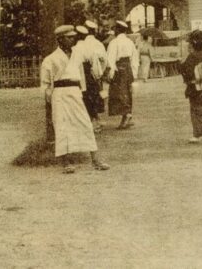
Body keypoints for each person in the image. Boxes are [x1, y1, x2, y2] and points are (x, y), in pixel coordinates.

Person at [40, 25, 110, 174]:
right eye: (68, 37)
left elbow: (86, 72)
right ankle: (66, 162)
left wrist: (82, 91)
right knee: (62, 126)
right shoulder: (50, 59)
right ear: (60, 39)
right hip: (59, 94)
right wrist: (49, 99)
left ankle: (95, 159)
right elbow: (46, 84)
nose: (72, 39)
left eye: (73, 36)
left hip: (75, 92)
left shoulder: (78, 53)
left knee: (85, 123)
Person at [106, 20, 139, 129]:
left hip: (119, 69)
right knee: (127, 92)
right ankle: (128, 115)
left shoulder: (114, 42)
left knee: (119, 93)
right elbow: (135, 58)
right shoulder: (130, 42)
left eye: (115, 29)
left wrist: (111, 73)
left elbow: (110, 59)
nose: (114, 31)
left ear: (118, 29)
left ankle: (126, 116)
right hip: (128, 68)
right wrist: (134, 72)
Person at [74, 25, 106, 134]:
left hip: (79, 75)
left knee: (82, 99)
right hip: (90, 76)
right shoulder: (90, 47)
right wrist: (97, 76)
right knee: (92, 98)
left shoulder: (74, 49)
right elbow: (96, 64)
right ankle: (95, 121)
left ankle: (86, 123)